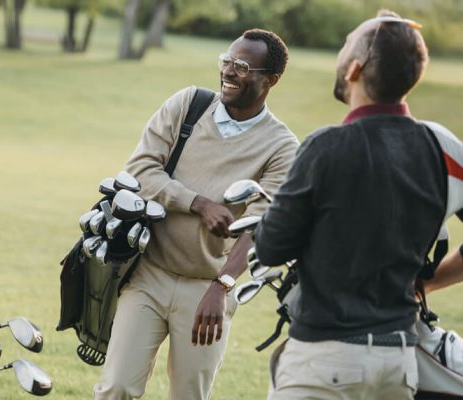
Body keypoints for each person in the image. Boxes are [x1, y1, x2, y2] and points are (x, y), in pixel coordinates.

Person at [93, 29, 299, 400]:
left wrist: (222, 287)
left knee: (189, 395)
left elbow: (261, 226)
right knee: (116, 387)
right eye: (226, 61)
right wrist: (199, 203)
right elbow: (140, 170)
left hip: (208, 287)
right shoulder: (188, 105)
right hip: (148, 274)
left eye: (242, 66)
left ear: (270, 80)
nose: (229, 72)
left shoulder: (282, 146)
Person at [254, 10, 446, 400]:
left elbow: (271, 247)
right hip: (399, 366)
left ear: (355, 68)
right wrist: (428, 279)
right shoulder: (436, 149)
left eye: (345, 46)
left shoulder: (326, 147)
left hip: (326, 361)